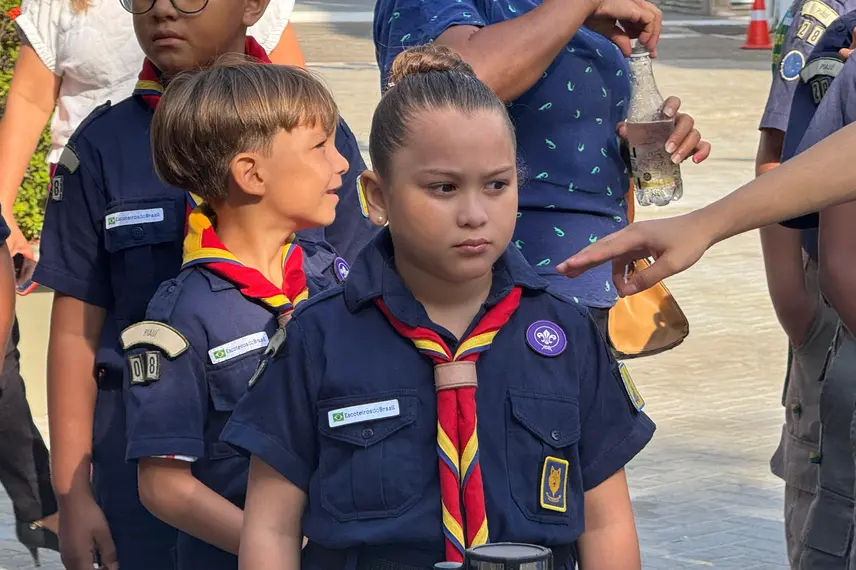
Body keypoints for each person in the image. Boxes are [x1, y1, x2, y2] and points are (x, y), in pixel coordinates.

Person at [222, 45, 656, 570]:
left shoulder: (567, 333)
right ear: (377, 196)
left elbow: (606, 520)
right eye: (443, 188)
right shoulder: (319, 337)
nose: (475, 214)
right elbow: (270, 526)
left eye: (497, 185)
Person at [31, 0, 376, 568]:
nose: (162, 8)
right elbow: (75, 330)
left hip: (312, 496)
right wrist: (72, 495)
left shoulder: (311, 135)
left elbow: (357, 289)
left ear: (253, 6)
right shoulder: (102, 145)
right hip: (148, 462)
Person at [123, 59, 348, 570]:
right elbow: (163, 483)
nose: (341, 163)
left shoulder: (332, 277)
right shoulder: (183, 314)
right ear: (251, 173)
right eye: (320, 147)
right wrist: (276, 546)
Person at [371, 0, 710, 337]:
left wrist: (645, 146)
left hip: (586, 282)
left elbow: (569, 136)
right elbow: (455, 91)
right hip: (498, 285)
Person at [757, 7, 856, 567]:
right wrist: (795, 305)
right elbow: (778, 161)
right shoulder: (824, 14)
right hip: (832, 300)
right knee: (825, 494)